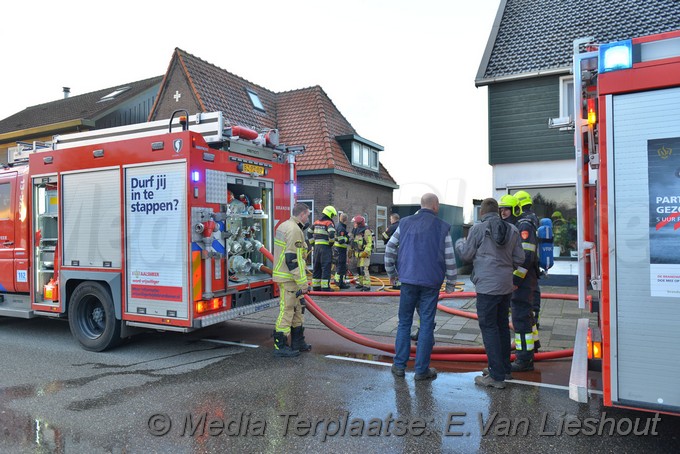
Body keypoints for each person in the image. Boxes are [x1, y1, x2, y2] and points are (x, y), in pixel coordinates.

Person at [386, 193, 457, 381]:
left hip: (407, 281)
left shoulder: (405, 223)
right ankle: (421, 370)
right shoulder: (442, 227)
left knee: (404, 323)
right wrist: (451, 282)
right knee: (426, 324)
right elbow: (450, 257)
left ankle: (399, 365)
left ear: (421, 205)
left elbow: (390, 248)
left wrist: (391, 273)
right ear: (435, 206)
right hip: (431, 283)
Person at [456, 198, 524, 389]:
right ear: (499, 211)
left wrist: (461, 244)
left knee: (489, 328)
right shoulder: (513, 230)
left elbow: (466, 255)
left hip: (487, 286)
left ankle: (496, 376)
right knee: (502, 325)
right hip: (505, 285)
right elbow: (520, 258)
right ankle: (504, 369)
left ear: (482, 213)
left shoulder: (477, 229)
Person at [272, 202, 312, 357]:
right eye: (307, 215)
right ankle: (280, 345)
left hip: (288, 276)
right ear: (302, 214)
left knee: (297, 309)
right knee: (287, 310)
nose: (308, 218)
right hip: (290, 278)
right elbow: (293, 260)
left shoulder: (284, 226)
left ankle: (297, 341)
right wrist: (303, 283)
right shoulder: (295, 230)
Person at [508, 190, 540, 372]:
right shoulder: (529, 222)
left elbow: (526, 256)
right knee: (526, 314)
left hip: (524, 279)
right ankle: (533, 346)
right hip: (529, 278)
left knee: (520, 318)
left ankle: (524, 359)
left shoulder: (524, 225)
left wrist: (516, 280)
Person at [513, 190, 543, 338]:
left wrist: (516, 278)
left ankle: (525, 355)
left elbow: (526, 253)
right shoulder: (533, 219)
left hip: (525, 273)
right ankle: (534, 342)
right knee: (528, 311)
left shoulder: (524, 223)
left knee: (521, 313)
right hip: (531, 270)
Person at [311, 205, 337, 291]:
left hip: (316, 248)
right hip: (325, 248)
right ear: (330, 214)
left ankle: (316, 286)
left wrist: (313, 244)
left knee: (316, 266)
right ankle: (325, 287)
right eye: (332, 215)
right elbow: (332, 233)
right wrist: (331, 243)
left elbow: (308, 233)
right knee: (326, 267)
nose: (332, 217)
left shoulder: (316, 222)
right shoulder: (328, 223)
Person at [351, 215, 373, 291]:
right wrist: (351, 250)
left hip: (364, 254)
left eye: (355, 222)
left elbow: (369, 243)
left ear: (359, 223)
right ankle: (361, 283)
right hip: (358, 254)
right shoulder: (356, 230)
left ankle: (366, 285)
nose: (354, 224)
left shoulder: (366, 231)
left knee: (364, 269)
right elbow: (353, 241)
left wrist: (366, 252)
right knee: (359, 269)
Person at [333, 212, 351, 289]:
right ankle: (339, 282)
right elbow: (341, 240)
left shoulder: (337, 225)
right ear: (345, 220)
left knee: (340, 266)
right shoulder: (341, 228)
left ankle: (340, 281)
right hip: (340, 250)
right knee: (341, 266)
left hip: (337, 249)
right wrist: (348, 237)